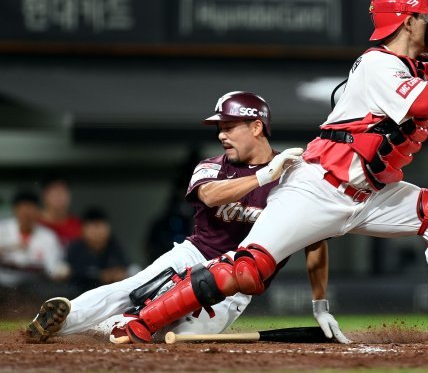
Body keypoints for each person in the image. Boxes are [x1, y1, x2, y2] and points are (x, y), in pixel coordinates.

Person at [79, 0, 428, 346]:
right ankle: (138, 322)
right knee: (247, 271)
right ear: (407, 20)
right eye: (425, 14)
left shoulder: (422, 63)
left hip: (370, 194)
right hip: (319, 186)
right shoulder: (377, 64)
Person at [26, 91, 348, 344]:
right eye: (220, 128)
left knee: (181, 337)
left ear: (256, 126)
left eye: (229, 127)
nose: (221, 135)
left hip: (236, 286)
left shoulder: (295, 180)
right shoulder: (212, 165)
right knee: (131, 288)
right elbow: (210, 195)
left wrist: (320, 305)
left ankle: (111, 325)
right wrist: (264, 176)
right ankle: (62, 320)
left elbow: (314, 242)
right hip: (195, 255)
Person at [0, 190, 68, 288]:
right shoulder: (2, 229)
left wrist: (62, 271)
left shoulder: (48, 236)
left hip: (35, 289)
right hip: (3, 287)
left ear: (37, 211)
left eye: (30, 209)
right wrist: (9, 248)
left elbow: (53, 269)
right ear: (15, 209)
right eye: (23, 209)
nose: (26, 214)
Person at [66, 208, 131, 294]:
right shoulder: (76, 248)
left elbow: (126, 267)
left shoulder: (114, 245)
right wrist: (100, 276)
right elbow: (73, 274)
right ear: (83, 229)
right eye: (95, 226)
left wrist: (118, 273)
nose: (99, 231)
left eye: (103, 226)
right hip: (81, 294)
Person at [38, 177, 82, 246]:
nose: (59, 196)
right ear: (45, 195)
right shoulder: (34, 224)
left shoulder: (79, 226)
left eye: (63, 191)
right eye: (55, 192)